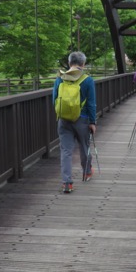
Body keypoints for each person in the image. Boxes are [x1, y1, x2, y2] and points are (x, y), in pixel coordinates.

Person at [53, 51, 97, 193]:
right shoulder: (87, 80)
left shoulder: (60, 78)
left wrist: (61, 114)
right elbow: (91, 103)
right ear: (83, 64)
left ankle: (67, 183)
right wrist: (92, 121)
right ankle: (86, 173)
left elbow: (54, 99)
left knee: (66, 150)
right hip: (82, 119)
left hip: (64, 119)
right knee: (84, 146)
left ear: (69, 62)